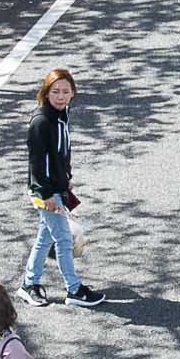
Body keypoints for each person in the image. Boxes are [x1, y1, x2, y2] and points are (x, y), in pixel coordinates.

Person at [23, 68, 108, 308]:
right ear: (46, 93)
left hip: (56, 188)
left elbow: (61, 153)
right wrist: (46, 193)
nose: (60, 96)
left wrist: (66, 178)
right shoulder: (41, 122)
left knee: (45, 237)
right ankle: (74, 289)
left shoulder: (62, 115)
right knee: (63, 238)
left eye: (65, 92)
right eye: (55, 91)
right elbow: (37, 163)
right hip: (45, 192)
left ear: (73, 94)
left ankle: (29, 284)